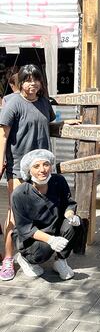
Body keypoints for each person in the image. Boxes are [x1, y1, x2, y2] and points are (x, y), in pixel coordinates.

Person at [0, 64, 55, 281]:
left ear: (41, 82)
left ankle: (29, 254)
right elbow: (3, 136)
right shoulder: (13, 102)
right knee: (14, 214)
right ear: (20, 82)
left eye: (35, 79)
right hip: (18, 168)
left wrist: (68, 122)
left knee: (39, 210)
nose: (31, 83)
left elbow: (48, 123)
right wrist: (0, 160)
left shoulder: (43, 102)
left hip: (41, 168)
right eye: (27, 79)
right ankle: (7, 259)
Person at [11, 149, 83, 281]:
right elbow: (25, 228)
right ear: (28, 170)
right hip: (31, 238)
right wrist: (51, 240)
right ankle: (26, 259)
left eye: (46, 164)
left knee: (76, 224)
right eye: (36, 166)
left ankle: (60, 261)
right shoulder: (20, 194)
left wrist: (70, 215)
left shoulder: (58, 181)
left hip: (53, 227)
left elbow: (68, 203)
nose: (42, 169)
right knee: (44, 248)